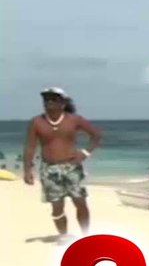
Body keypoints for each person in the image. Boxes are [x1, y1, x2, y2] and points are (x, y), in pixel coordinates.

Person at [22, 88, 103, 239]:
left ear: (63, 103)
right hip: (49, 169)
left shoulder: (74, 119)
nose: (49, 103)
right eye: (46, 100)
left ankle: (85, 236)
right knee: (57, 207)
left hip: (72, 167)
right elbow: (30, 146)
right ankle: (64, 236)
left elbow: (96, 135)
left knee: (80, 202)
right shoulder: (37, 122)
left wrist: (85, 153)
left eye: (53, 100)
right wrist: (27, 170)